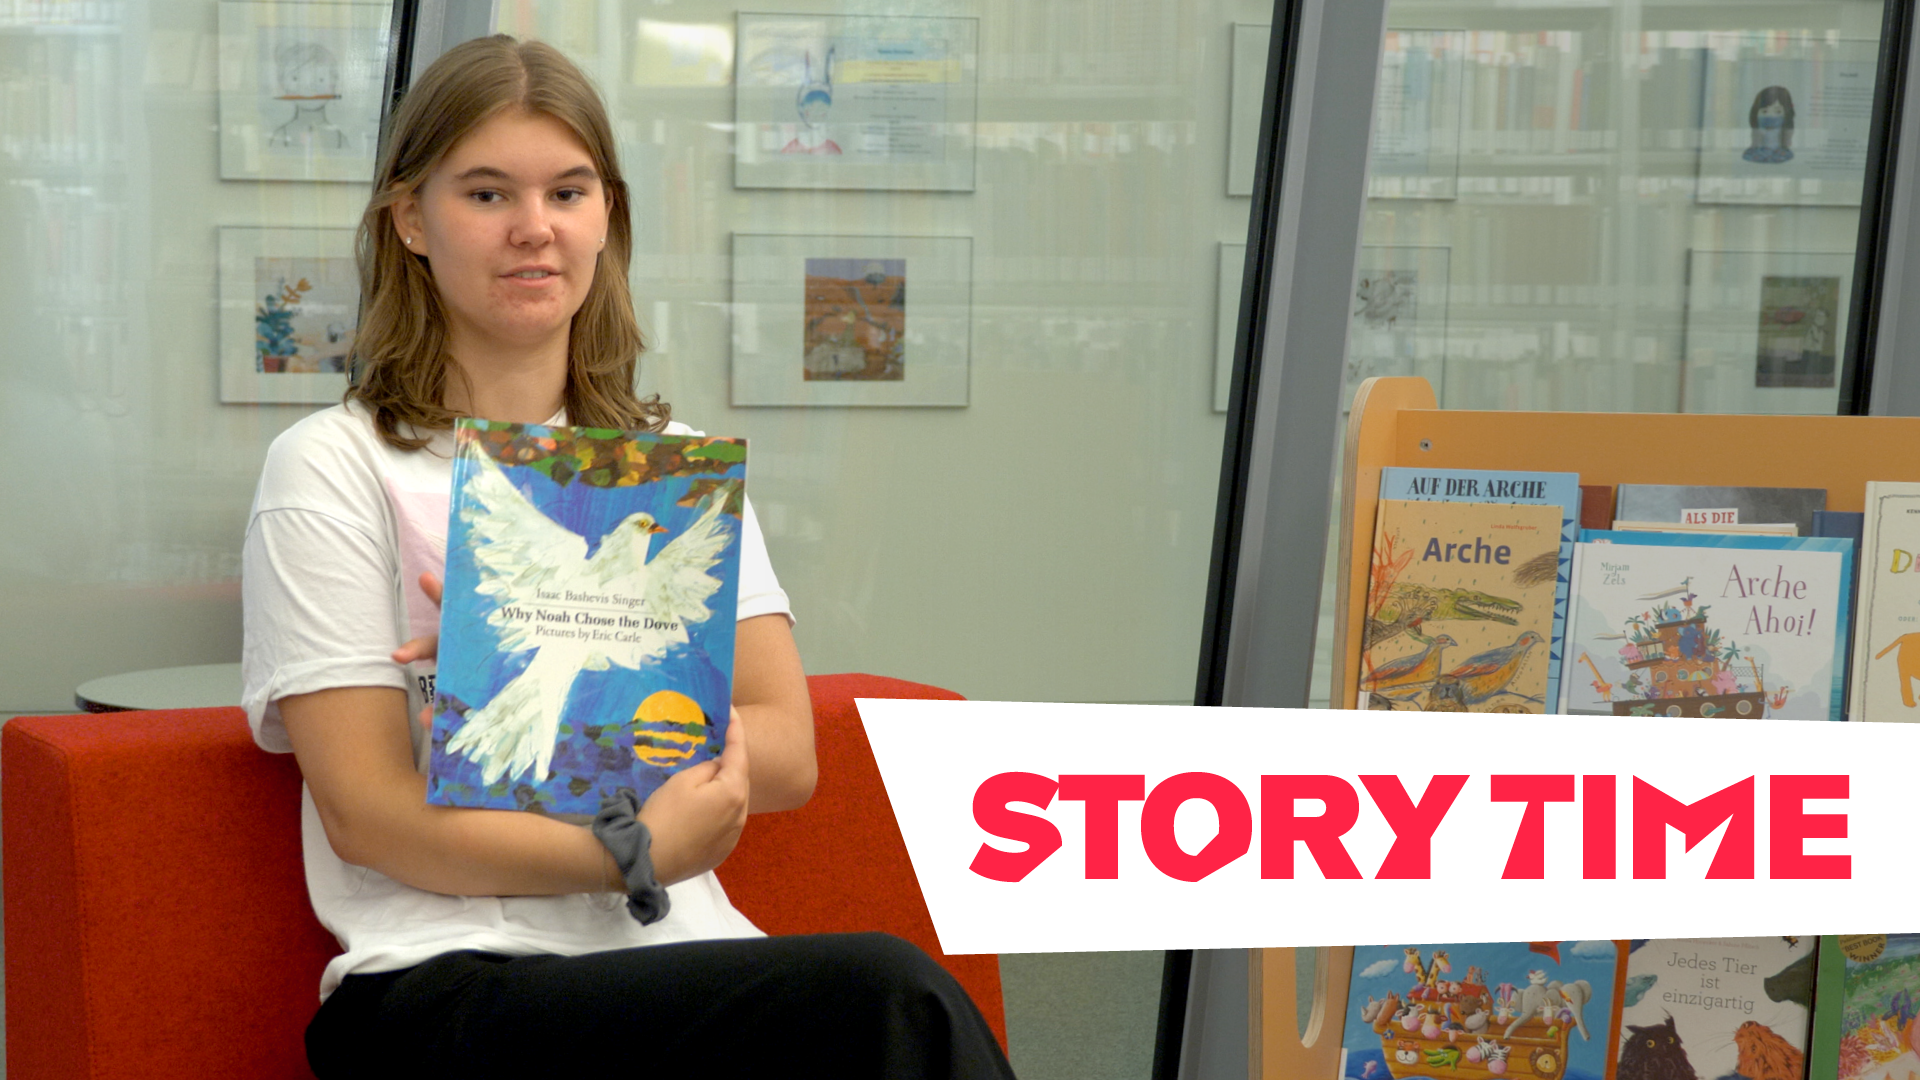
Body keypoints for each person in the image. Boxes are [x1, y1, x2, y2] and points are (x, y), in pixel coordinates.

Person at [240, 35, 1013, 1079]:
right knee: (890, 999)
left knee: (877, 1009)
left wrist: (565, 648)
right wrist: (632, 847)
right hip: (449, 982)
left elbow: (786, 756)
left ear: (608, 216)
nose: (534, 229)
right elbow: (367, 815)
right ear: (412, 221)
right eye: (485, 193)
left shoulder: (671, 471)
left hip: (680, 956)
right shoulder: (331, 467)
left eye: (568, 191)